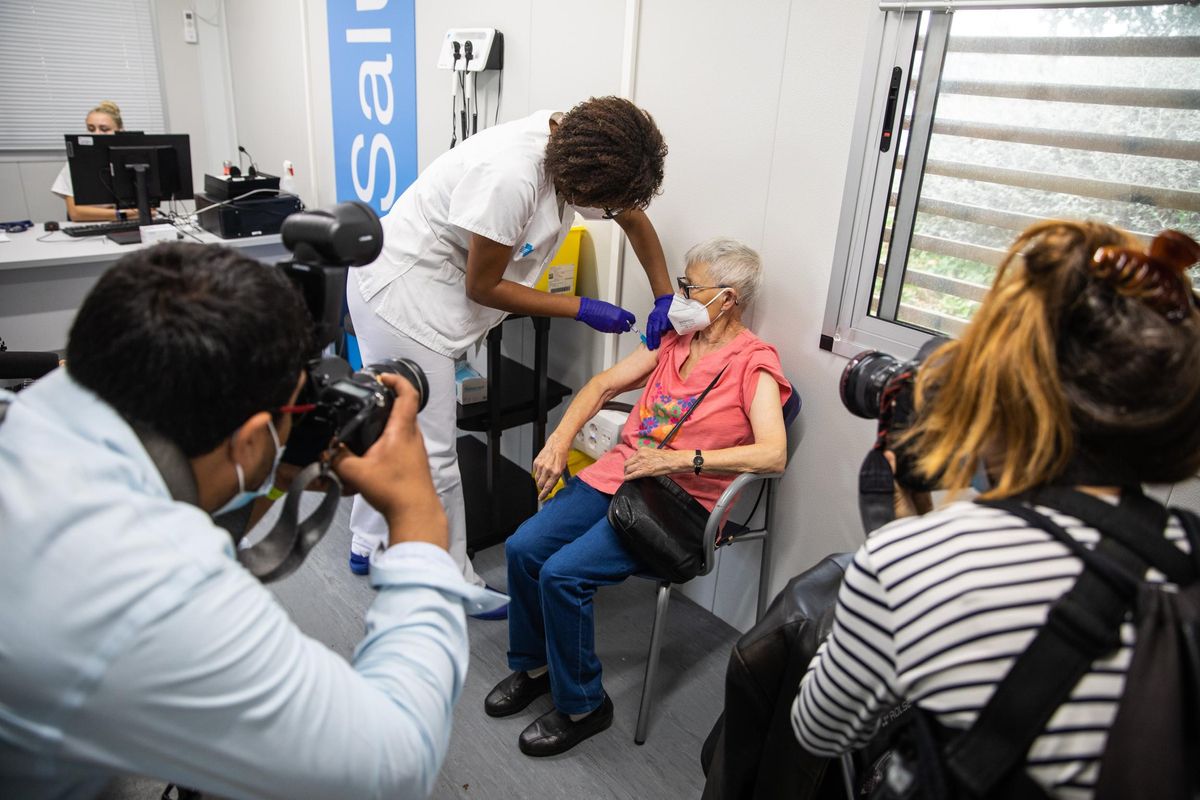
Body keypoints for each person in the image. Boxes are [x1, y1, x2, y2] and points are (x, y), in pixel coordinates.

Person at [0, 243, 501, 799]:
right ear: (246, 440)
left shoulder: (47, 401)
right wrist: (418, 525)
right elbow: (393, 765)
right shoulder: (147, 593)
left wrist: (281, 463)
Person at [792, 221, 1200, 797]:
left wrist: (902, 537)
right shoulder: (1186, 552)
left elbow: (819, 730)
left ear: (997, 386)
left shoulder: (915, 563)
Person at [345, 96, 675, 613]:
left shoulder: (587, 141)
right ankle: (456, 584)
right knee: (434, 457)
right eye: (605, 205)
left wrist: (663, 295)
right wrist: (579, 307)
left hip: (419, 285)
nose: (612, 214)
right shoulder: (511, 178)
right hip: (400, 297)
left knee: (391, 423)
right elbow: (483, 286)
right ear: (580, 180)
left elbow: (632, 218)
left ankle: (365, 540)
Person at [484, 237, 793, 756]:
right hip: (620, 475)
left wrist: (679, 460)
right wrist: (558, 440)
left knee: (563, 574)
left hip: (676, 502)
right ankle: (536, 667)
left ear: (729, 298)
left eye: (692, 287)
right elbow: (603, 385)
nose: (681, 296)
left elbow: (772, 455)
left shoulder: (754, 363)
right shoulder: (674, 339)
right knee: (523, 548)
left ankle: (584, 705)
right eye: (682, 284)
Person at [50, 100, 132, 222]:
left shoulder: (133, 161)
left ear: (120, 131)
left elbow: (149, 210)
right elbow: (76, 213)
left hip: (127, 226)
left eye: (104, 129)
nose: (96, 134)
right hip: (88, 228)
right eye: (91, 129)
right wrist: (124, 214)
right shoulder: (75, 164)